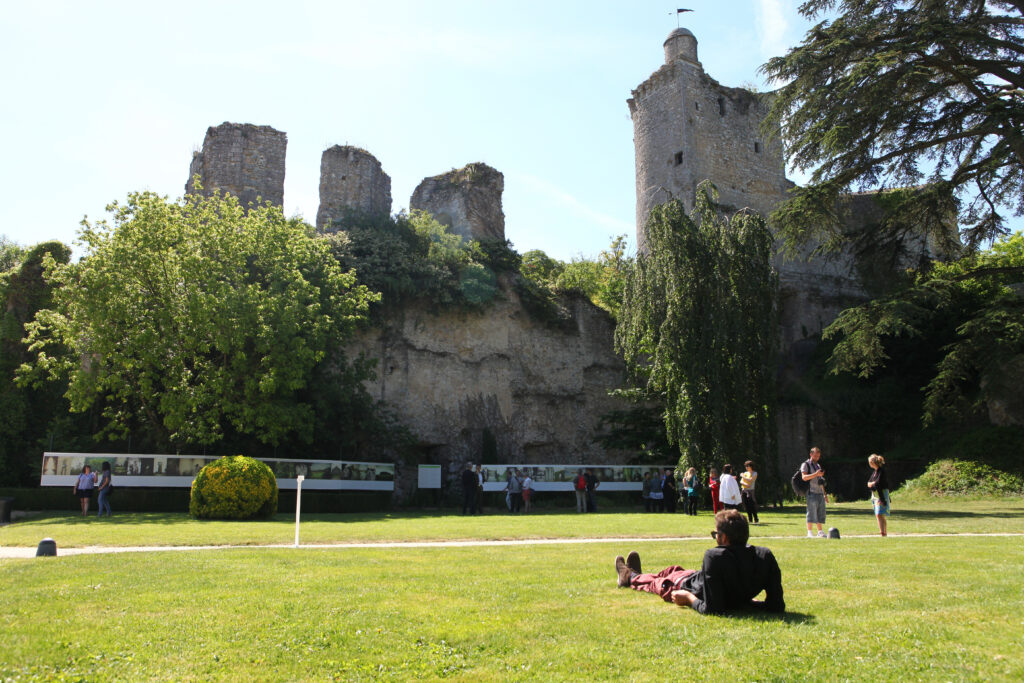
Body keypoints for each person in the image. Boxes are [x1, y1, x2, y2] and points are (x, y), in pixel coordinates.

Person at [614, 509, 785, 615]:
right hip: (697, 578)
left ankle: (629, 577)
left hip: (688, 587)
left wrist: (688, 598)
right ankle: (638, 573)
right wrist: (745, 602)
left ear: (724, 537)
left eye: (716, 534)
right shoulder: (764, 556)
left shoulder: (715, 557)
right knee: (673, 569)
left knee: (659, 583)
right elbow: (776, 606)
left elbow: (713, 609)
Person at [801, 447, 827, 537]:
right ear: (811, 454)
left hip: (819, 492)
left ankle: (820, 531)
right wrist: (815, 474)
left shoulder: (818, 465)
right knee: (811, 512)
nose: (817, 458)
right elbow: (804, 477)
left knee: (820, 512)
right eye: (815, 455)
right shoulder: (805, 464)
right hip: (811, 492)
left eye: (818, 456)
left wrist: (825, 494)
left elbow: (820, 480)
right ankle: (809, 532)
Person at [867, 453, 891, 537]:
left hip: (881, 494)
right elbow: (869, 483)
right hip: (875, 495)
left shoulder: (881, 471)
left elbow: (878, 483)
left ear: (873, 462)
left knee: (880, 514)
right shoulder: (875, 472)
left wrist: (882, 498)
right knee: (879, 515)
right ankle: (884, 532)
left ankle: (883, 533)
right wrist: (872, 484)